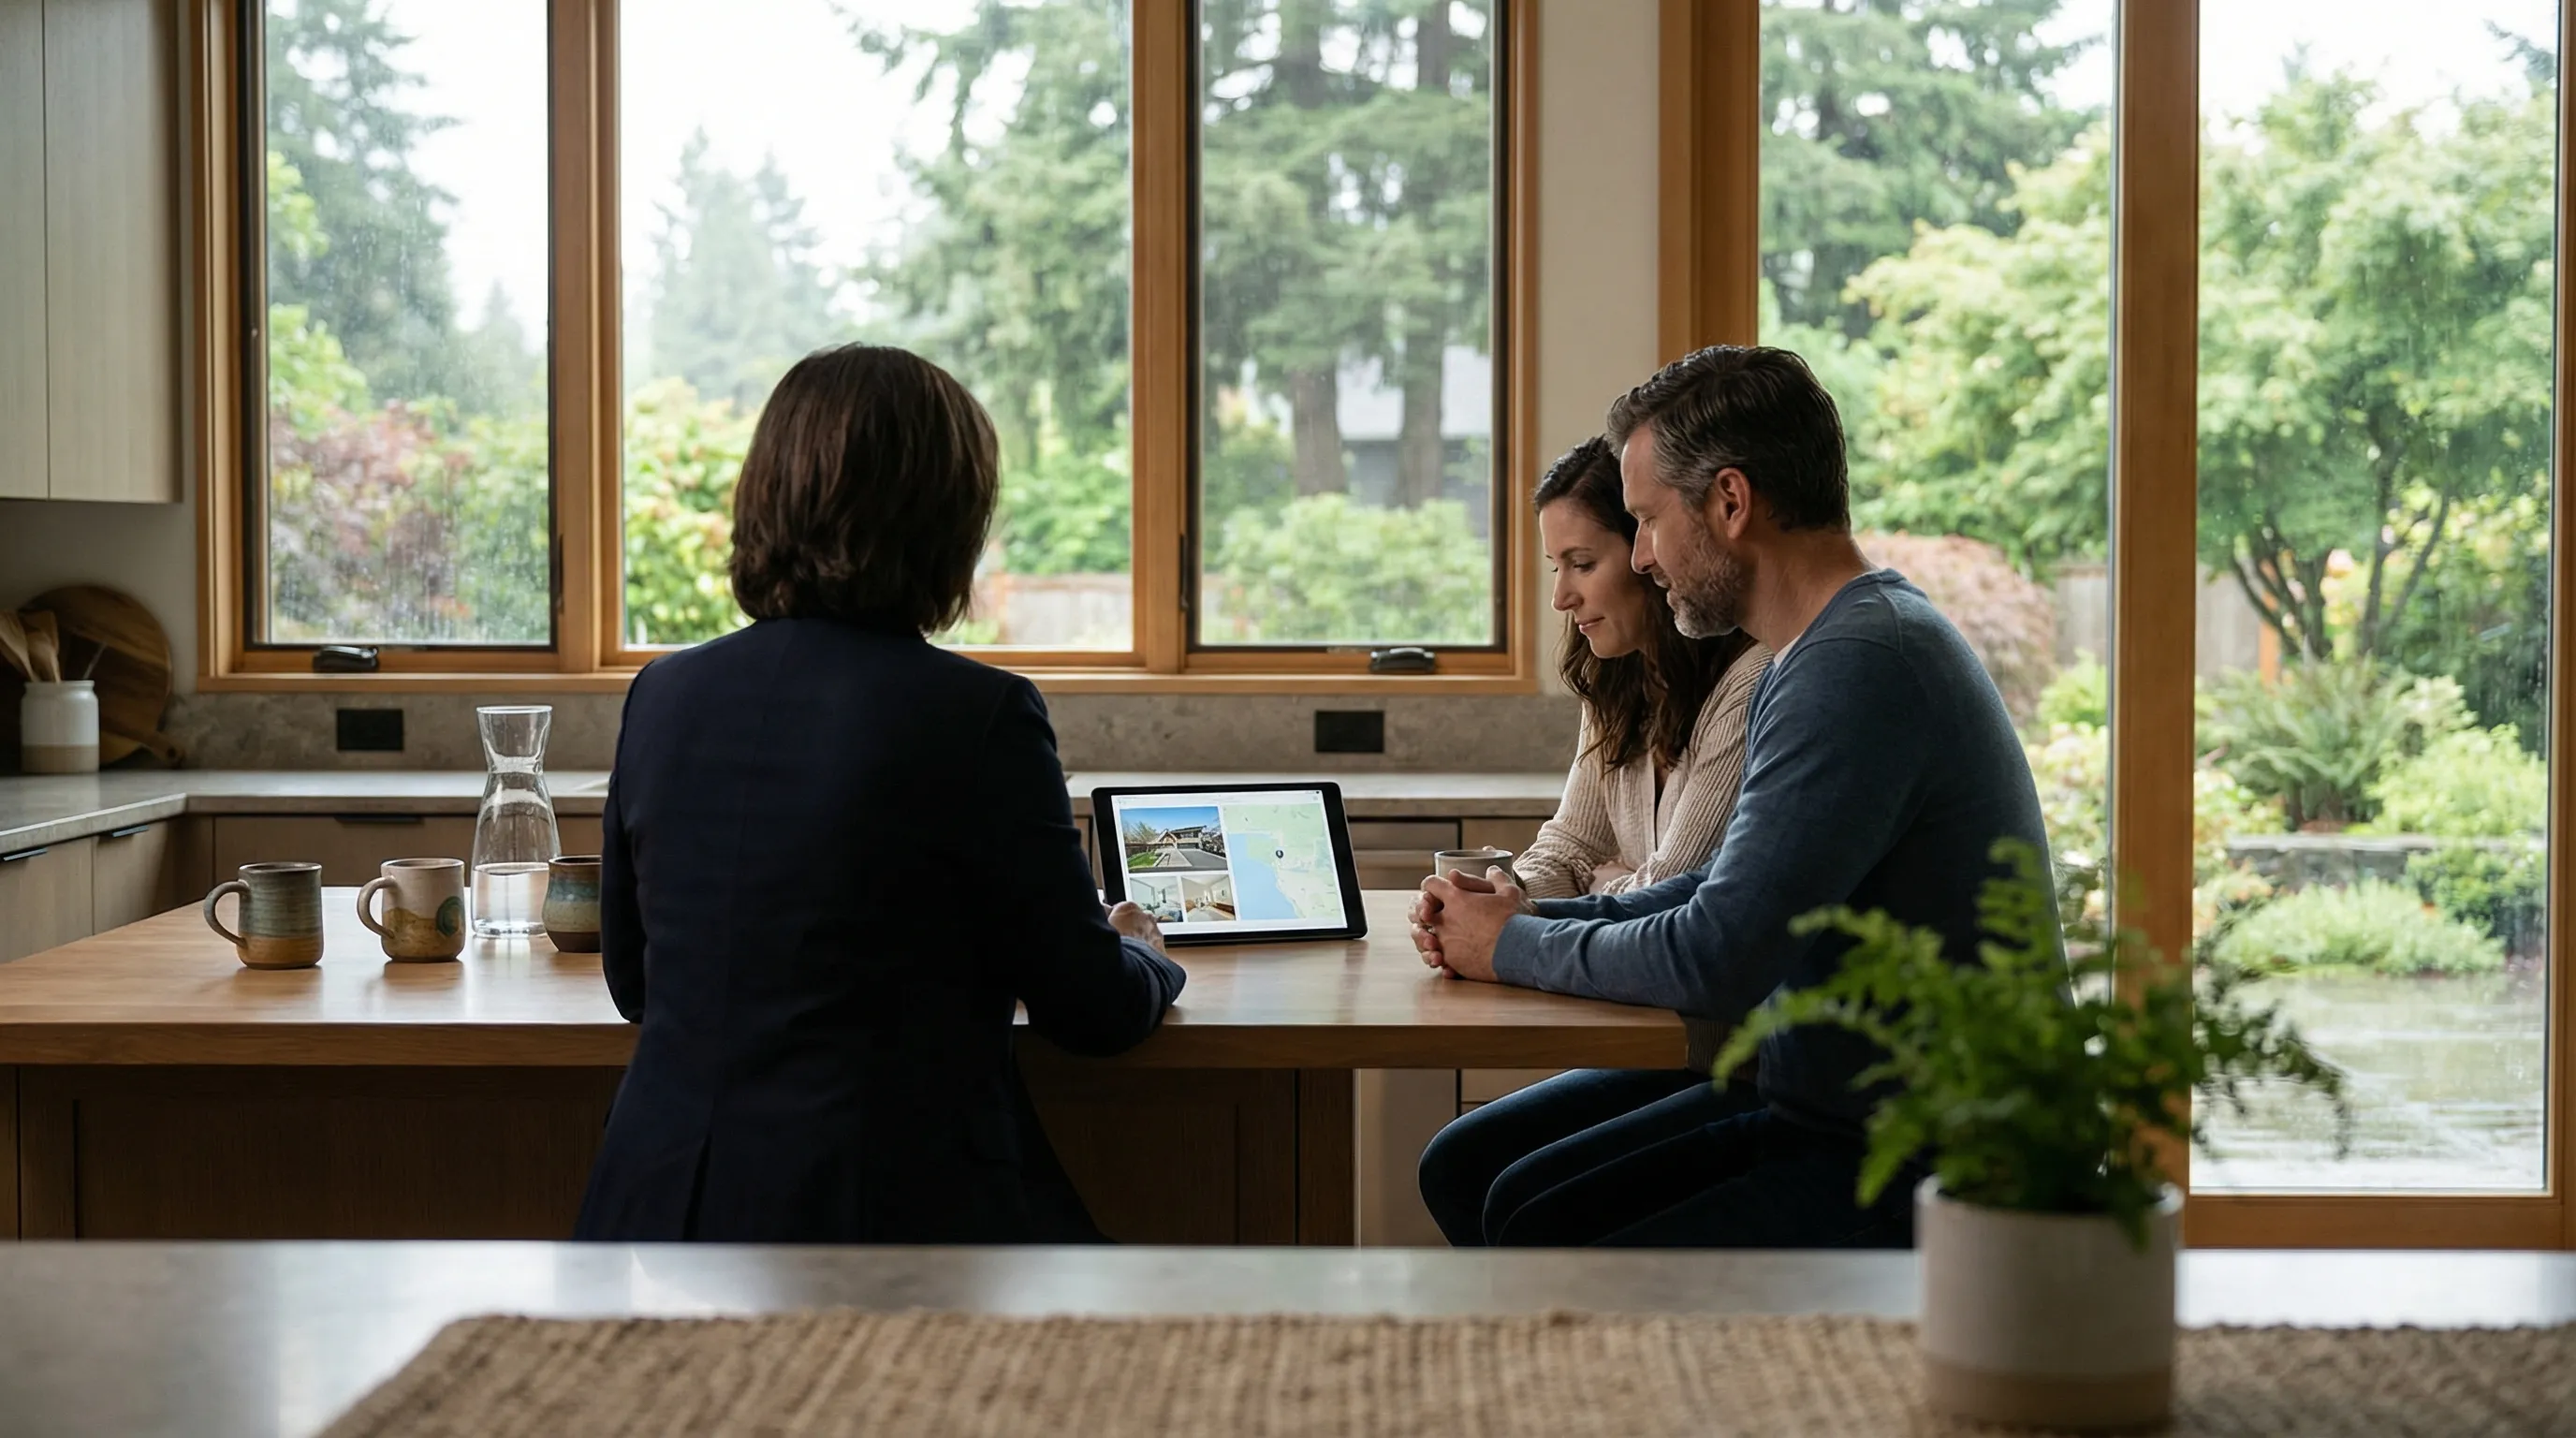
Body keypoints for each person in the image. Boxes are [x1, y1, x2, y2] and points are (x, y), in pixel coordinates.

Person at [1412, 345, 2055, 1249]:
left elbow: (1719, 956)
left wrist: (1512, 943)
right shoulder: (1828, 651)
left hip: (1922, 1152)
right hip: (1827, 1108)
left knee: (1540, 1227)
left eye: (1645, 521)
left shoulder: (1857, 666)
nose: (1643, 555)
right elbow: (1725, 900)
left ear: (1729, 502)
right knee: (1484, 1176)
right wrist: (1527, 926)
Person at [575, 344, 1185, 1246]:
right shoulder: (980, 714)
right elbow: (1088, 1010)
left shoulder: (663, 694)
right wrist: (1143, 951)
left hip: (659, 1214)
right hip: (889, 1228)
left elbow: (635, 982)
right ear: (948, 522)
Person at [1516, 435, 1769, 901]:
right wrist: (1505, 893)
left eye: (1584, 564)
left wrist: (1610, 885)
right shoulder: (1614, 679)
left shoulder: (1750, 680)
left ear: (1648, 548)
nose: (1561, 598)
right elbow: (1572, 845)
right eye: (1558, 568)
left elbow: (1675, 893)